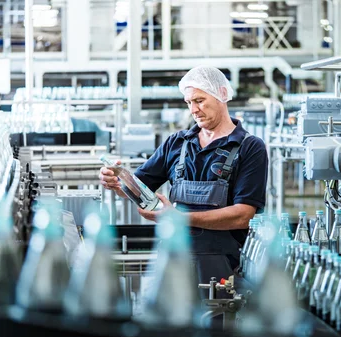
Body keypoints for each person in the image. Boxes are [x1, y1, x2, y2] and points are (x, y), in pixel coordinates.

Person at [99, 65, 268, 299]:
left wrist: (178, 218)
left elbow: (243, 215)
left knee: (216, 326)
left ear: (221, 94)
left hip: (223, 268)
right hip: (172, 259)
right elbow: (139, 188)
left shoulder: (250, 147)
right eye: (189, 102)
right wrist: (118, 183)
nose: (194, 110)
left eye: (199, 100)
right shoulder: (177, 143)